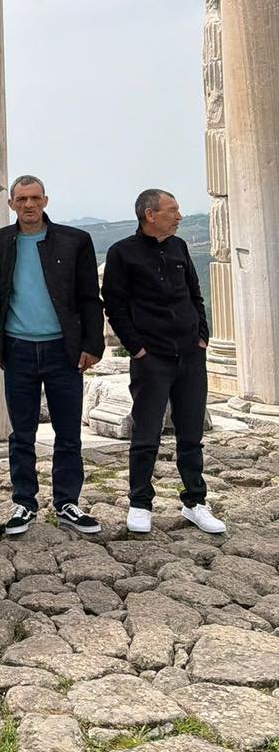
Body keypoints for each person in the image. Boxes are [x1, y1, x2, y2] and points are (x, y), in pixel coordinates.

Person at [0, 176, 104, 538]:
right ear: (11, 204)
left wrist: (92, 345)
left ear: (46, 200)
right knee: (21, 433)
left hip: (63, 349)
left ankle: (68, 502)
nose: (29, 205)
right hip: (18, 348)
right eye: (21, 199)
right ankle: (24, 502)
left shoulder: (75, 241)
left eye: (35, 198)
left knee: (68, 433)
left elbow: (88, 297)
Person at [102, 189, 224, 536]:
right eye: (173, 210)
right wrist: (136, 348)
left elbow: (194, 294)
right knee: (145, 434)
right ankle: (140, 503)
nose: (180, 215)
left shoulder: (179, 247)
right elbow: (114, 304)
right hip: (151, 358)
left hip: (189, 354)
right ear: (150, 214)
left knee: (191, 434)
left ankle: (195, 502)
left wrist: (202, 336)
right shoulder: (121, 253)